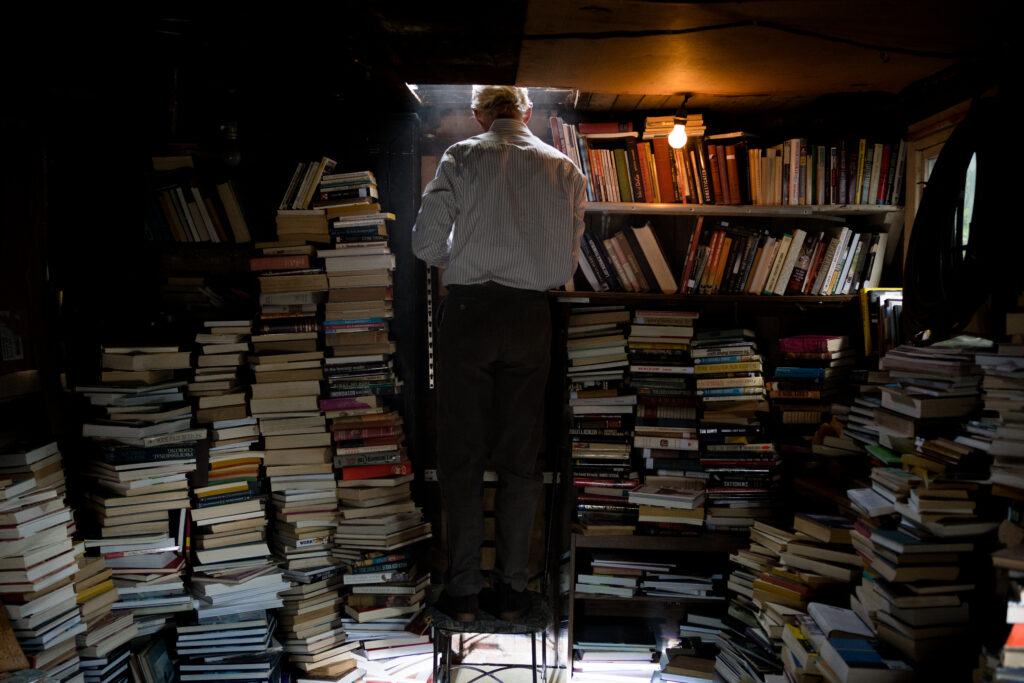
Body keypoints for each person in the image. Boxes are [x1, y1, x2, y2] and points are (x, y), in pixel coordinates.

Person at [411, 85, 587, 622]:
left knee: (461, 456)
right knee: (520, 457)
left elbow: (425, 245)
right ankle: (513, 592)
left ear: (477, 114)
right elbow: (562, 266)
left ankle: (464, 593)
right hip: (531, 316)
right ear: (527, 111)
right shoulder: (564, 168)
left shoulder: (461, 156)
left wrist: (466, 254)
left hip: (469, 313)